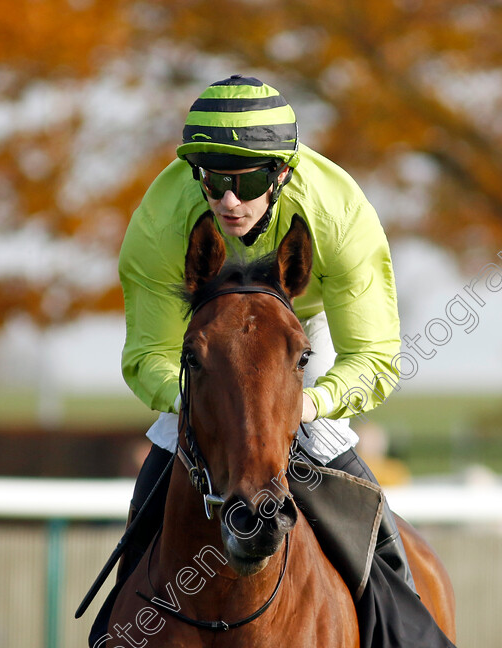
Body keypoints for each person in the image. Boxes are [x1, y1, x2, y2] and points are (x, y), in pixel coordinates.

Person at [117, 74, 414, 592]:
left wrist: (308, 405)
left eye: (249, 183)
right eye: (213, 182)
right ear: (196, 175)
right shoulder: (159, 225)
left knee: (327, 441)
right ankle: (122, 617)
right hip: (211, 337)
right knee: (168, 440)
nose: (230, 201)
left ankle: (401, 625)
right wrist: (199, 400)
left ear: (281, 174)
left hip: (297, 328)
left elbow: (372, 356)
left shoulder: (339, 216)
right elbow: (149, 355)